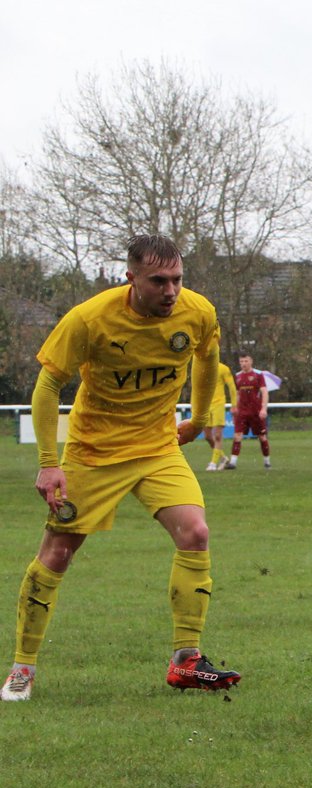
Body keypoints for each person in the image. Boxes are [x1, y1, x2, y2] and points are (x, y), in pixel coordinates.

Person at [1, 235, 241, 702]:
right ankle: (21, 670)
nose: (170, 290)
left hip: (157, 448)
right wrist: (50, 464)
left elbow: (207, 360)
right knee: (57, 555)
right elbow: (48, 386)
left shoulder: (199, 312)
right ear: (130, 277)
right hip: (93, 453)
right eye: (158, 281)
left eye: (176, 279)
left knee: (195, 533)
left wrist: (198, 419)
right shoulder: (90, 319)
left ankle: (186, 661)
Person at [228, 352, 270, 470]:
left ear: (251, 361)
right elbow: (236, 393)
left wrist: (263, 408)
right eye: (241, 361)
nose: (243, 364)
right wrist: (234, 406)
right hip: (242, 412)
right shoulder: (238, 376)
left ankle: (267, 462)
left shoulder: (258, 375)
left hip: (256, 411)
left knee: (262, 437)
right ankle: (233, 462)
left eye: (246, 361)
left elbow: (264, 392)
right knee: (237, 436)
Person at [201, 358, 237, 471]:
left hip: (218, 405)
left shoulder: (223, 368)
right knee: (207, 436)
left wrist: (234, 405)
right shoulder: (202, 367)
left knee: (217, 435)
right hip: (205, 405)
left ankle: (213, 463)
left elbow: (232, 387)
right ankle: (223, 458)